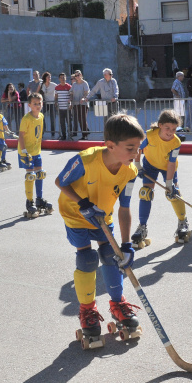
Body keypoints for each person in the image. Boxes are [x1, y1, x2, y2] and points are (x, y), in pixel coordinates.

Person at [54, 113, 145, 348]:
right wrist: (83, 203)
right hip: (76, 216)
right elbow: (60, 182)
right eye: (131, 148)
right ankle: (87, 310)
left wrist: (126, 245)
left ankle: (118, 304)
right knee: (86, 258)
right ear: (110, 145)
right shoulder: (85, 160)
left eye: (138, 147)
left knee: (111, 257)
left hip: (104, 217)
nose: (136, 154)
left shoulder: (130, 171)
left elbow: (124, 208)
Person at [132, 109, 188, 248]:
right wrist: (138, 165)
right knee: (145, 193)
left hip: (168, 167)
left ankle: (182, 222)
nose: (170, 132)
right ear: (160, 125)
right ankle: (142, 227)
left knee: (173, 194)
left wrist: (169, 184)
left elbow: (170, 164)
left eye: (174, 129)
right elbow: (138, 149)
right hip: (150, 165)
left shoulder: (176, 142)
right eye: (167, 128)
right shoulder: (149, 135)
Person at [18, 92, 52, 217]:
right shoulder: (26, 119)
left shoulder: (41, 116)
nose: (38, 105)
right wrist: (24, 151)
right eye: (35, 104)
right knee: (30, 175)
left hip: (36, 151)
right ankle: (29, 201)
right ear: (29, 105)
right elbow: (21, 135)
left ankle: (39, 199)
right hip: (26, 151)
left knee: (40, 174)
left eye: (39, 103)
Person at [70, 70, 90, 140]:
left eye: (78, 75)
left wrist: (83, 98)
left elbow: (86, 92)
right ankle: (85, 132)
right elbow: (71, 93)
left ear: (81, 75)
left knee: (83, 119)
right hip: (76, 104)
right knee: (79, 119)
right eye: (76, 75)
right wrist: (71, 99)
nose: (77, 77)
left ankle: (85, 135)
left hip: (83, 104)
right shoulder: (74, 84)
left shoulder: (85, 83)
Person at [39, 72, 57, 138]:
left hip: (52, 103)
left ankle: (53, 133)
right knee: (41, 114)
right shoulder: (42, 85)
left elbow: (57, 91)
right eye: (48, 77)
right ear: (45, 78)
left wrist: (56, 100)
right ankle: (43, 130)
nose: (49, 78)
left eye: (50, 77)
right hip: (45, 103)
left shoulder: (54, 85)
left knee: (52, 118)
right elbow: (41, 93)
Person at [55, 73, 72, 141]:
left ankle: (70, 135)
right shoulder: (57, 87)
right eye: (61, 77)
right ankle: (64, 135)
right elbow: (56, 97)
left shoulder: (69, 87)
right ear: (59, 79)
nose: (62, 79)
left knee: (69, 122)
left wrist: (70, 102)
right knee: (62, 123)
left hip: (68, 108)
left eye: (63, 77)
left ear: (66, 78)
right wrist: (56, 104)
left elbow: (71, 96)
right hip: (60, 108)